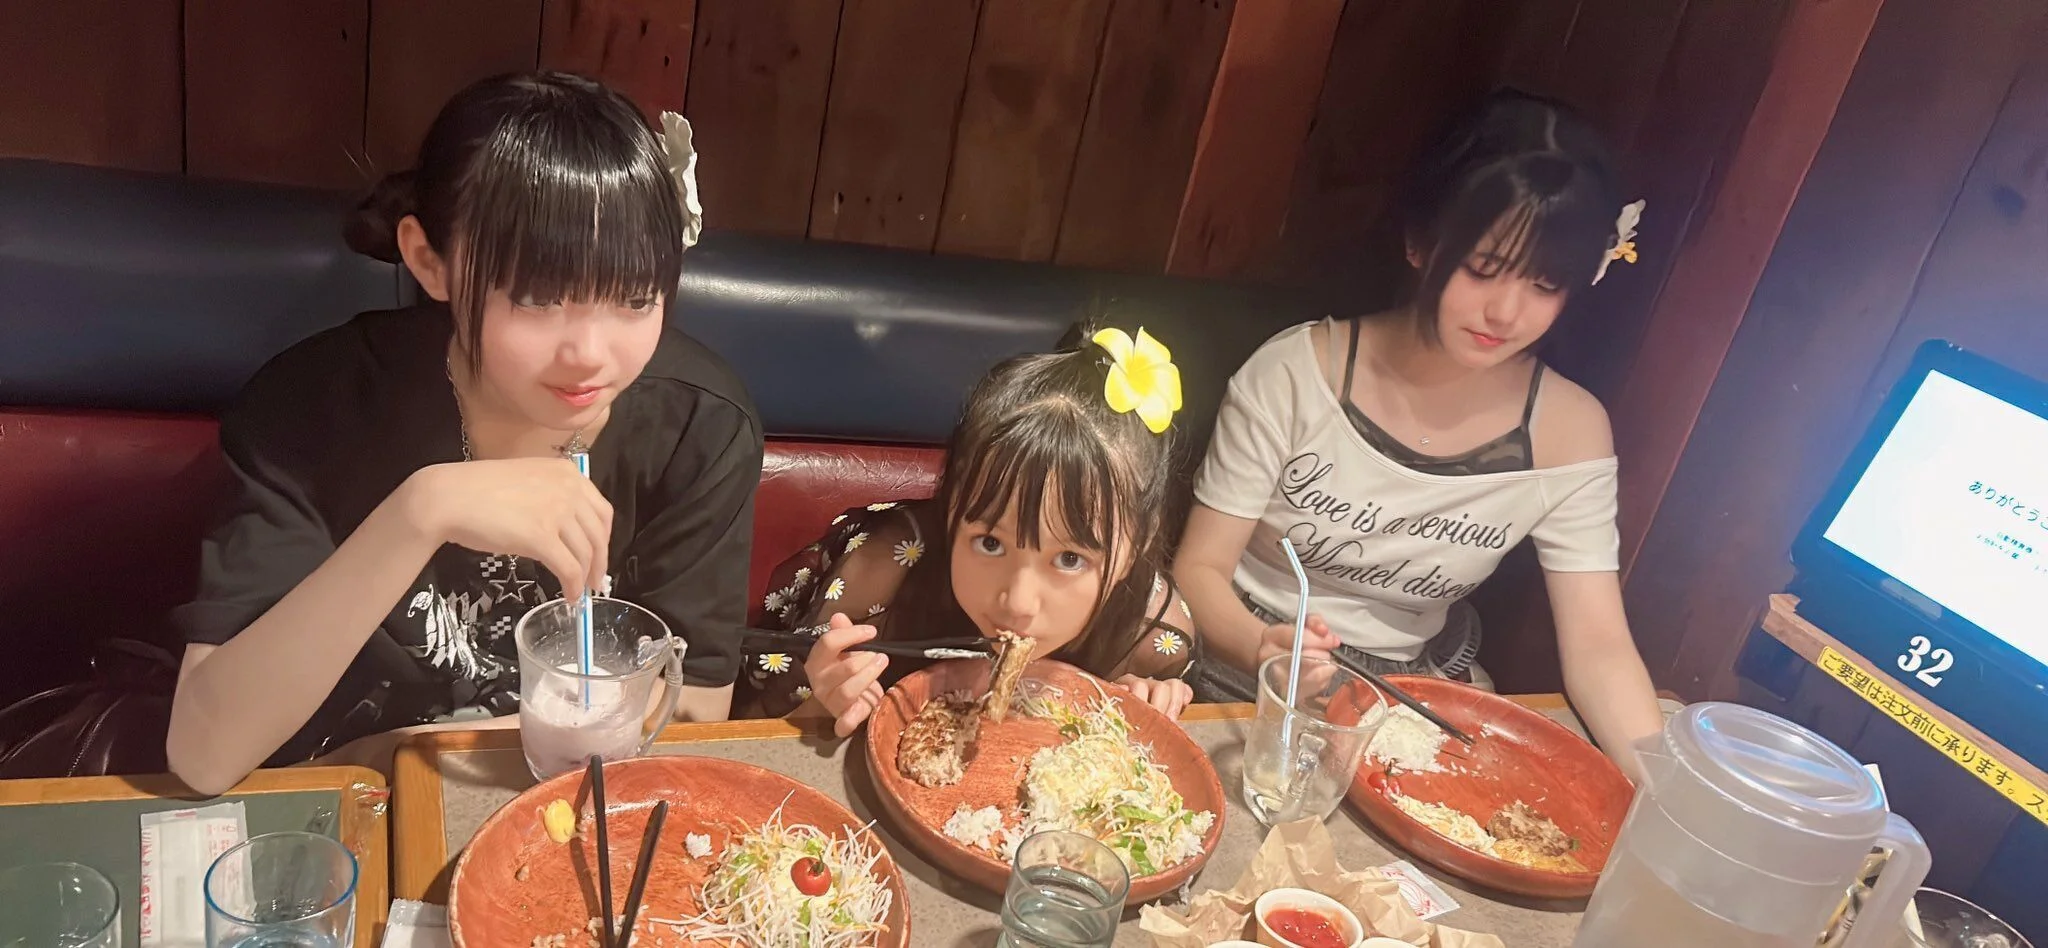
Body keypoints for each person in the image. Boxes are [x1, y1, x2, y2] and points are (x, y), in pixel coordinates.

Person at [166, 72, 763, 795]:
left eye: (636, 298)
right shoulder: (313, 408)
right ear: (430, 262)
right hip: (348, 806)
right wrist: (422, 512)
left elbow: (694, 709)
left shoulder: (700, 427)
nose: (591, 355)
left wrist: (408, 753)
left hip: (549, 806)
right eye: (539, 299)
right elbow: (204, 754)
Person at [1173, 89, 1663, 780]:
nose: (1506, 311)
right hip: (1243, 665)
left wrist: (1665, 793)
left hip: (1416, 694)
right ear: (1420, 242)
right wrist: (1264, 647)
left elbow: (1599, 646)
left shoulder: (1570, 431)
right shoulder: (1296, 373)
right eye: (1483, 269)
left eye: (1545, 284)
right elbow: (1198, 570)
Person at [734, 324, 1200, 734]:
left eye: (1069, 558)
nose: (1017, 603)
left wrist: (1146, 708)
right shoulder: (886, 570)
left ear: (1138, 543)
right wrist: (824, 703)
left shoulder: (1151, 636)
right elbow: (754, 733)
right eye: (990, 543)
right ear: (952, 505)